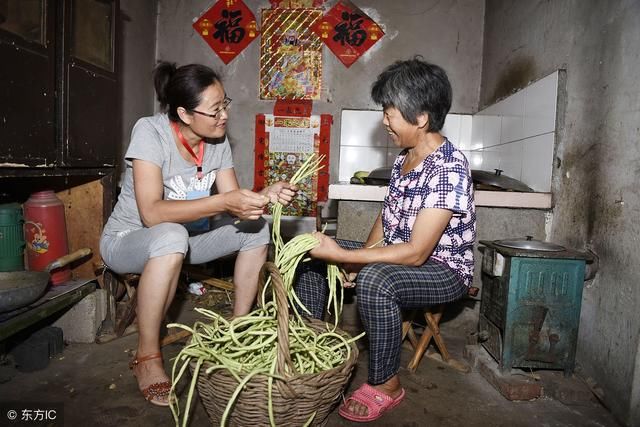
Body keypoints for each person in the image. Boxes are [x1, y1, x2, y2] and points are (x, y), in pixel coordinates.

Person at [99, 62, 296, 406]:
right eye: (215, 109)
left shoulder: (216, 142)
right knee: (171, 233)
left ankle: (238, 327)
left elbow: (236, 203)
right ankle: (146, 356)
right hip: (129, 239)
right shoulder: (150, 131)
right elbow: (152, 213)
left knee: (255, 229)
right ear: (184, 114)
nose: (224, 116)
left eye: (225, 104)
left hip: (181, 242)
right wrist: (223, 201)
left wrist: (265, 196)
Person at [295, 57, 476, 422]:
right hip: (405, 259)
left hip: (443, 271)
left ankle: (387, 383)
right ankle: (307, 350)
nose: (385, 120)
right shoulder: (405, 158)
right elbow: (387, 217)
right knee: (310, 254)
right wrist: (355, 255)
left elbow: (416, 253)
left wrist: (363, 263)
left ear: (420, 117)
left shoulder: (449, 168)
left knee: (377, 280)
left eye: (390, 112)